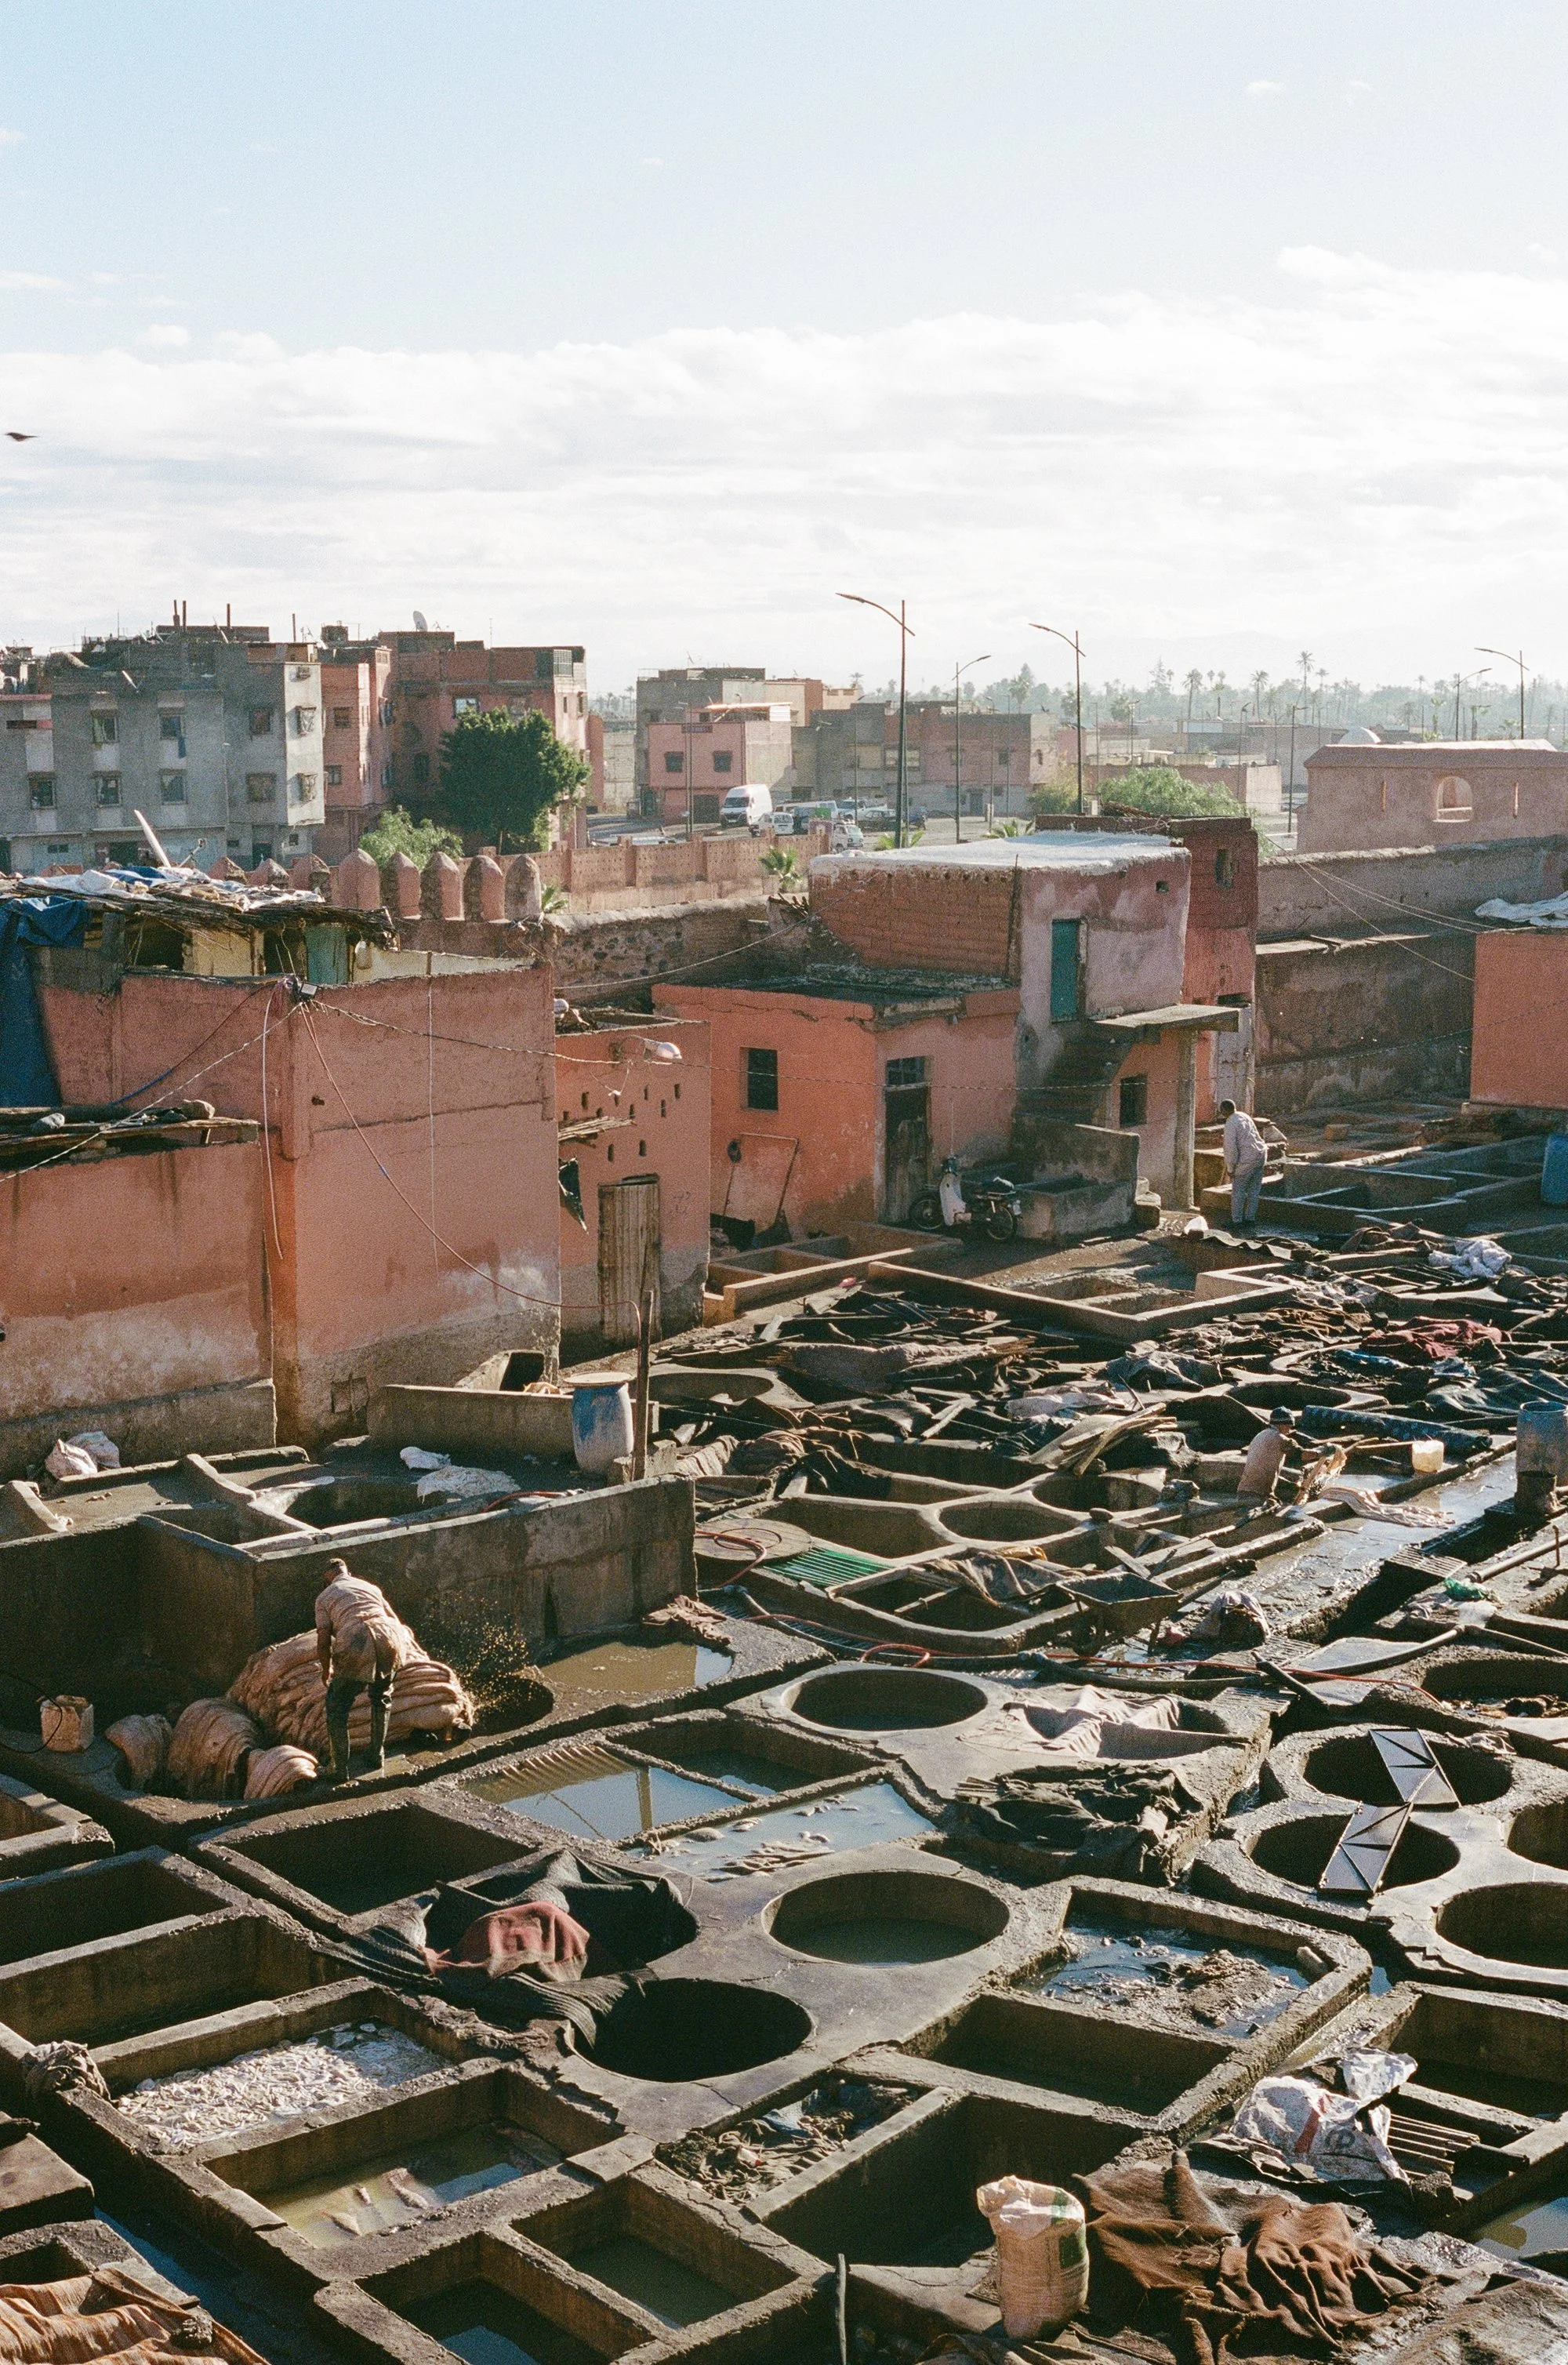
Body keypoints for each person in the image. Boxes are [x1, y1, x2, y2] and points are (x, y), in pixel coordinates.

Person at [314, 1560, 414, 1781]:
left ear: (326, 1579)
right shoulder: (370, 1587)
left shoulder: (324, 1597)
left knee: (337, 1706)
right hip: (390, 1636)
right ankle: (377, 1755)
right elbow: (394, 1620)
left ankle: (338, 1768)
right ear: (348, 1571)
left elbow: (323, 1641)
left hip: (356, 1638)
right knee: (381, 1697)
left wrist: (325, 1669)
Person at [1219, 1098, 1269, 1229]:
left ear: (1223, 1111)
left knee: (1238, 1192)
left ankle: (1237, 1222)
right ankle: (1250, 1219)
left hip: (1248, 1159)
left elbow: (1231, 1149)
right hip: (1261, 1154)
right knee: (1254, 1191)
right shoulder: (1244, 1115)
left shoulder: (1230, 1123)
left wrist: (1231, 1168)